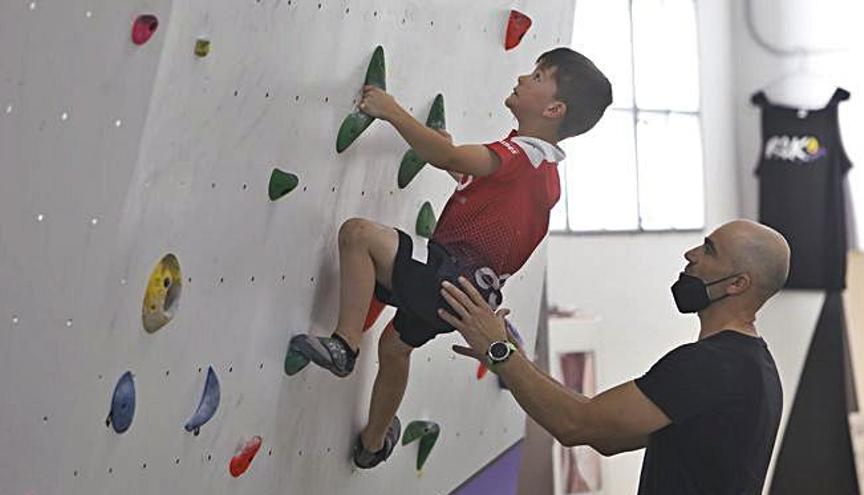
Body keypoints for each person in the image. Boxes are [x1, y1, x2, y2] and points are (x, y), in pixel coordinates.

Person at [287, 47, 612, 468]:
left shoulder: (522, 156)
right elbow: (478, 183)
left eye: (536, 76)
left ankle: (344, 344)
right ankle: (372, 444)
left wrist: (391, 111)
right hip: (466, 296)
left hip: (449, 274)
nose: (522, 78)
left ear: (553, 108)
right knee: (395, 346)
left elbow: (455, 158)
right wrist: (452, 159)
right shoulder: (542, 170)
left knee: (359, 235)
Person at [439, 220, 789, 494]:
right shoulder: (750, 364)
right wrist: (517, 359)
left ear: (737, 284)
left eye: (709, 250)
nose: (691, 254)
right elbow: (606, 437)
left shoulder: (709, 366)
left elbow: (576, 425)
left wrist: (500, 352)